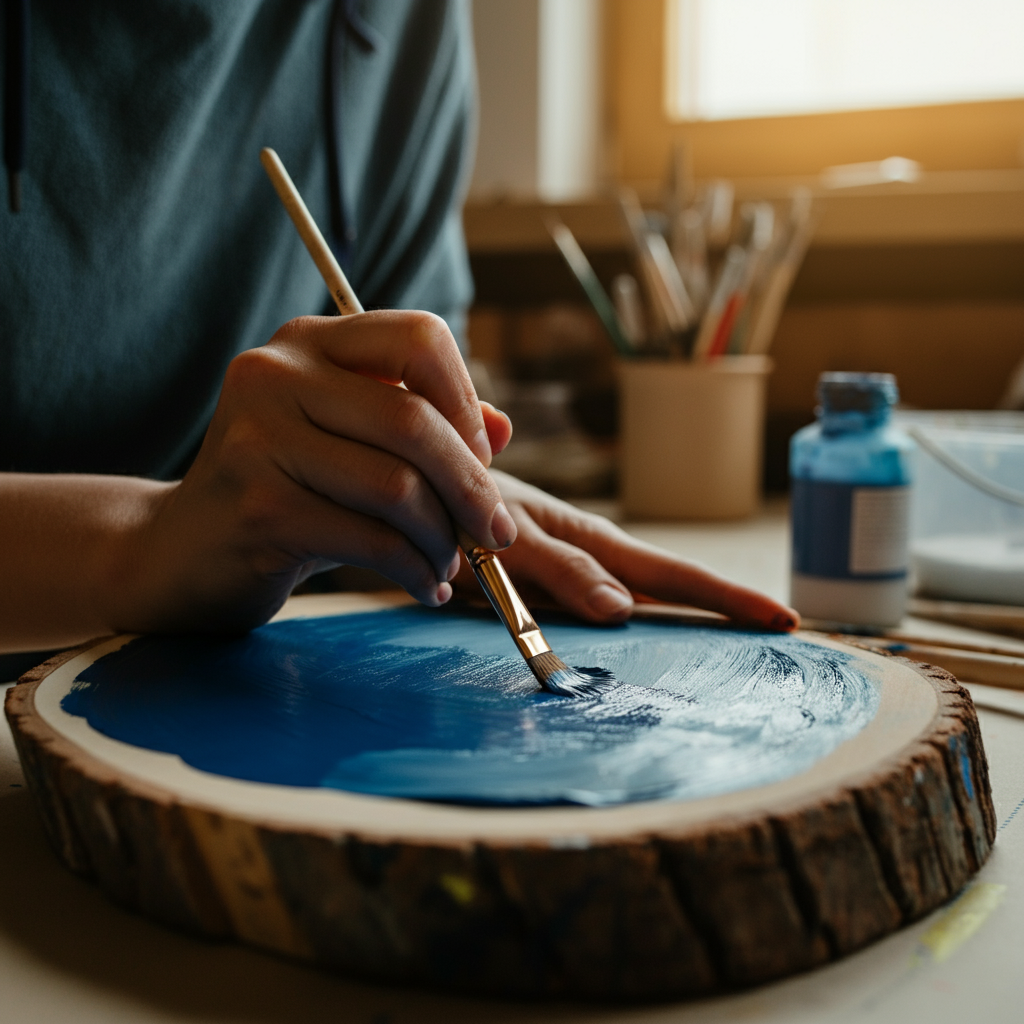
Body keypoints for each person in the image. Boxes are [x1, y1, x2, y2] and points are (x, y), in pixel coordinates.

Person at [0, 0, 797, 665]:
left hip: (225, 670)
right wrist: (142, 544)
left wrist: (409, 490)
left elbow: (401, 385)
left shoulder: (404, 20)